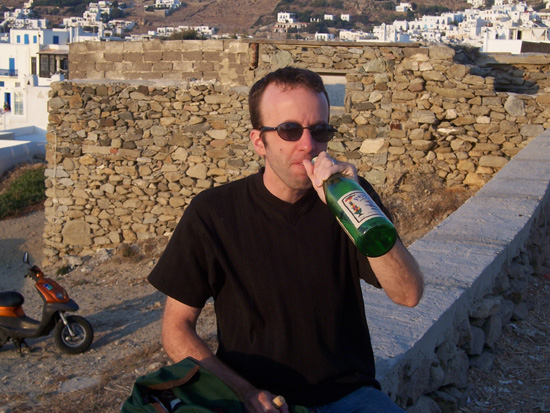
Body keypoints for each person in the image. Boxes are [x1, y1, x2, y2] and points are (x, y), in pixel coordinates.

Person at [148, 66, 424, 413]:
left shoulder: (351, 199)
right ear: (258, 141)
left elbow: (408, 294)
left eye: (320, 131)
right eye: (289, 130)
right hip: (258, 401)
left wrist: (357, 205)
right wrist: (244, 392)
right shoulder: (214, 213)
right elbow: (176, 329)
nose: (308, 145)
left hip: (349, 396)